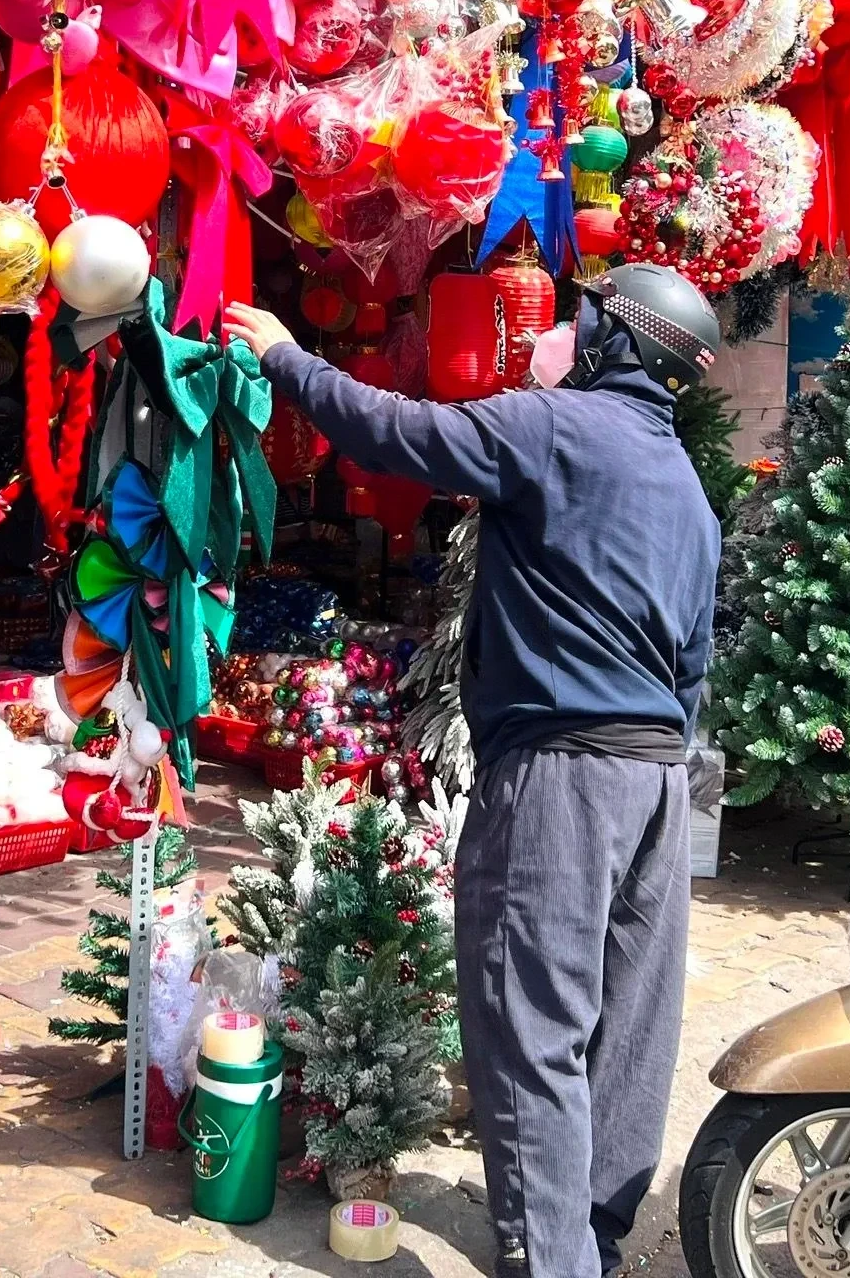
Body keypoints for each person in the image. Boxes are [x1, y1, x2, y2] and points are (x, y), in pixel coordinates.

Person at [223, 265, 723, 1278]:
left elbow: (399, 435)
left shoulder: (556, 428)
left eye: (581, 319)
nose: (564, 333)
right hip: (656, 781)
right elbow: (692, 662)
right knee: (627, 1026)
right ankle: (592, 1239)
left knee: (529, 1017)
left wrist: (282, 354)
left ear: (616, 341)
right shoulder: (687, 488)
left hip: (561, 775)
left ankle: (551, 1262)